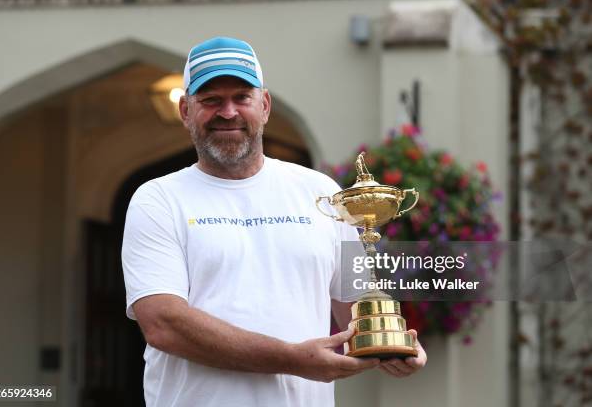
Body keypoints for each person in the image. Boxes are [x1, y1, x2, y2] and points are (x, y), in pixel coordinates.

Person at [122, 36, 426, 407]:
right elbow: (163, 324)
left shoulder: (319, 192)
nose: (228, 112)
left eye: (241, 98)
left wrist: (395, 344)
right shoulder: (158, 199)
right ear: (186, 110)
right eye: (211, 100)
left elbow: (357, 305)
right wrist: (292, 358)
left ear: (264, 105)